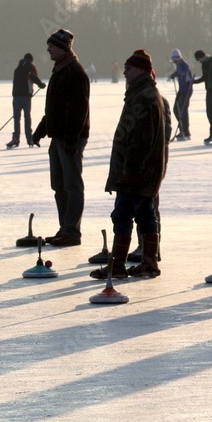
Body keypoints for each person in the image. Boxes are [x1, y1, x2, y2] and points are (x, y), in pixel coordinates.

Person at [91, 50, 167, 280]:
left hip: (137, 173)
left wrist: (130, 173)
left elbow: (140, 140)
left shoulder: (143, 97)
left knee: (122, 215)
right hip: (147, 172)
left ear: (142, 70)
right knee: (146, 214)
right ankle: (149, 262)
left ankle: (117, 265)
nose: (124, 72)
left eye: (129, 68)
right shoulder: (146, 93)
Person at [32, 29, 90, 247]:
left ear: (64, 49)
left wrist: (72, 140)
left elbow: (79, 109)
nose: (48, 50)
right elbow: (54, 108)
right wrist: (41, 130)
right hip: (58, 137)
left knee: (72, 185)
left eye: (52, 46)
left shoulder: (75, 72)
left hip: (69, 139)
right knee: (59, 185)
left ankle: (72, 231)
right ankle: (64, 226)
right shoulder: (60, 70)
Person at [7, 52, 46, 149]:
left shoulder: (17, 68)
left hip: (16, 96)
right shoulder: (31, 67)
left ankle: (15, 138)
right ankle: (30, 139)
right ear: (31, 60)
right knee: (27, 117)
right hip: (26, 96)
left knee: (16, 118)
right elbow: (34, 77)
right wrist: (41, 84)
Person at [193, 49, 212, 144]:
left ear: (201, 57)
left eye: (198, 60)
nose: (199, 62)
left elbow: (206, 77)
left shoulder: (209, 63)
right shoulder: (210, 61)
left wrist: (194, 81)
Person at [169, 49, 193, 140]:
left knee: (182, 110)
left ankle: (185, 132)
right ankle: (182, 129)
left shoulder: (185, 66)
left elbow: (188, 77)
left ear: (178, 58)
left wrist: (178, 75)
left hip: (186, 91)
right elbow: (180, 74)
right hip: (181, 90)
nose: (174, 62)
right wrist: (174, 74)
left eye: (174, 60)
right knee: (176, 109)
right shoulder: (179, 65)